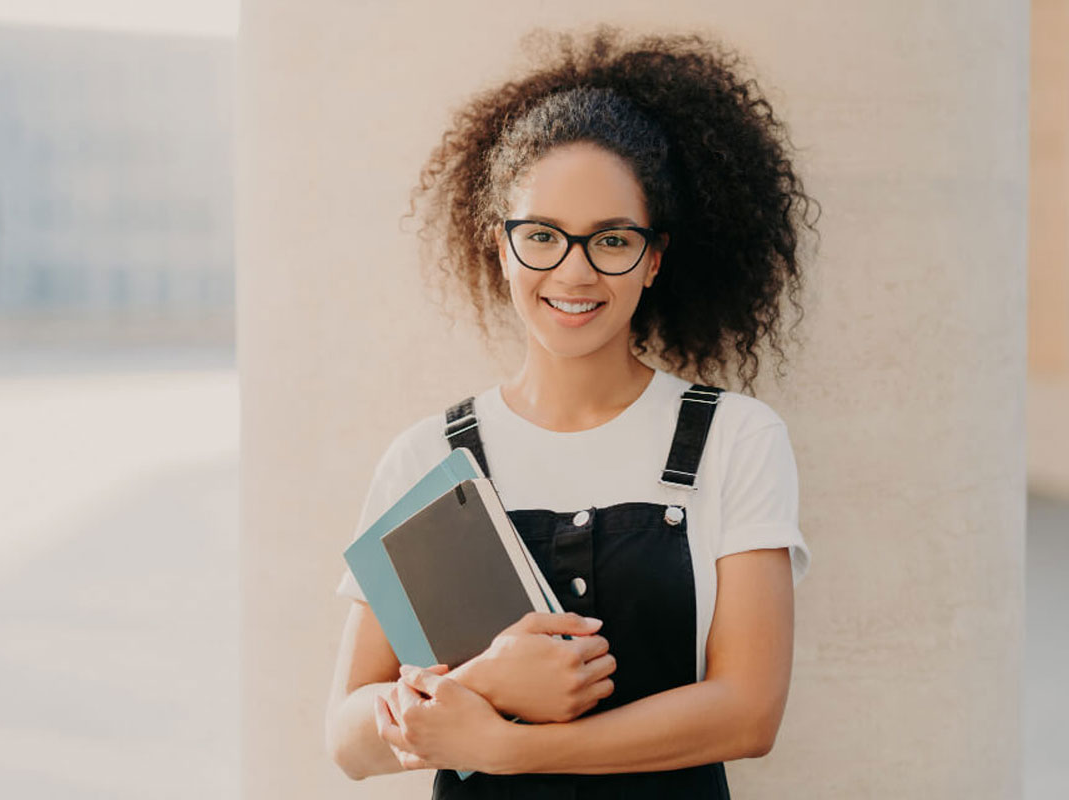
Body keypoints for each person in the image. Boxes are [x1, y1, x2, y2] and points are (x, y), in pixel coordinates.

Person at [325, 24, 818, 799]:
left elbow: (748, 714)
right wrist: (489, 681)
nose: (575, 271)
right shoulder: (428, 459)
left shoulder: (734, 441)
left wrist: (506, 747)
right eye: (543, 237)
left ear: (653, 258)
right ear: (500, 246)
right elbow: (349, 739)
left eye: (611, 240)